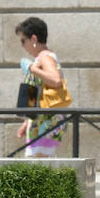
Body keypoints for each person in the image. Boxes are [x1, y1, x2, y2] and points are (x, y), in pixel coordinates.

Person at [15, 17, 67, 158]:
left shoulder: (45, 57)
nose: (22, 45)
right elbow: (39, 91)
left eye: (23, 41)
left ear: (33, 39)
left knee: (39, 165)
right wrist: (27, 122)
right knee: (39, 164)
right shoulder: (42, 58)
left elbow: (56, 80)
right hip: (42, 121)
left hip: (46, 122)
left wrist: (32, 68)